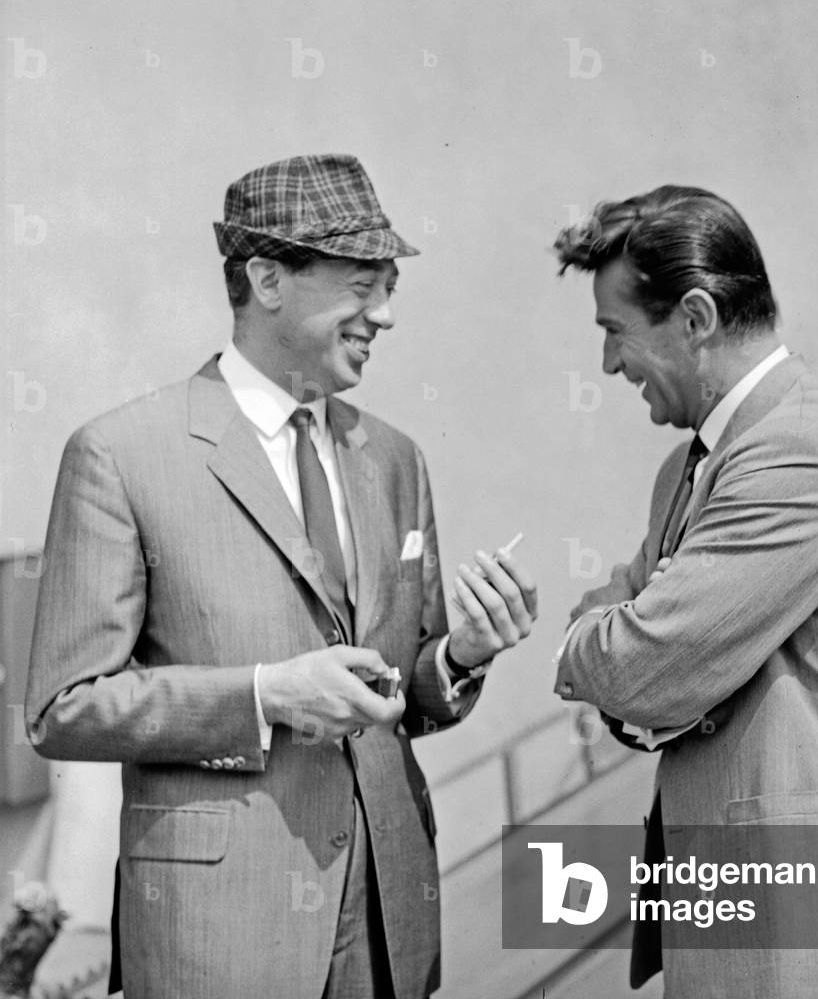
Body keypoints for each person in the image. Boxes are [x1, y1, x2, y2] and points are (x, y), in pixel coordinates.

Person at [24, 153, 537, 999]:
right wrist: (264, 696)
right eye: (365, 282)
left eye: (390, 286)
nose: (386, 314)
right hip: (219, 938)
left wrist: (460, 657)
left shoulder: (396, 460)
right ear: (267, 278)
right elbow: (61, 708)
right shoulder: (120, 456)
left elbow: (398, 690)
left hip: (387, 927)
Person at [551, 186, 818, 998]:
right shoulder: (696, 464)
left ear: (695, 318)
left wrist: (607, 645)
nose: (609, 365)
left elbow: (642, 664)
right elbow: (651, 652)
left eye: (616, 334)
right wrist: (646, 661)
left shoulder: (802, 456)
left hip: (803, 944)